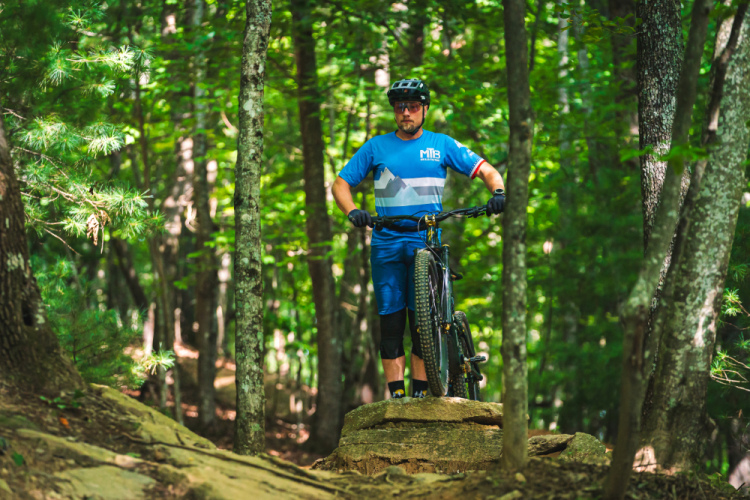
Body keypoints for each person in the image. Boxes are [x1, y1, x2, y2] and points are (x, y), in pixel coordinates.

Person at [332, 78, 505, 400]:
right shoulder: (376, 147)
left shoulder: (442, 144)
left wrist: (497, 192)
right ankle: (397, 397)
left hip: (425, 239)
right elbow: (340, 184)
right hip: (385, 241)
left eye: (412, 107)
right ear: (395, 112)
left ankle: (422, 394)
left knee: (421, 323)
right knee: (391, 321)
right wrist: (353, 211)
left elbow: (487, 171)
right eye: (400, 108)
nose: (406, 113)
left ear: (425, 109)